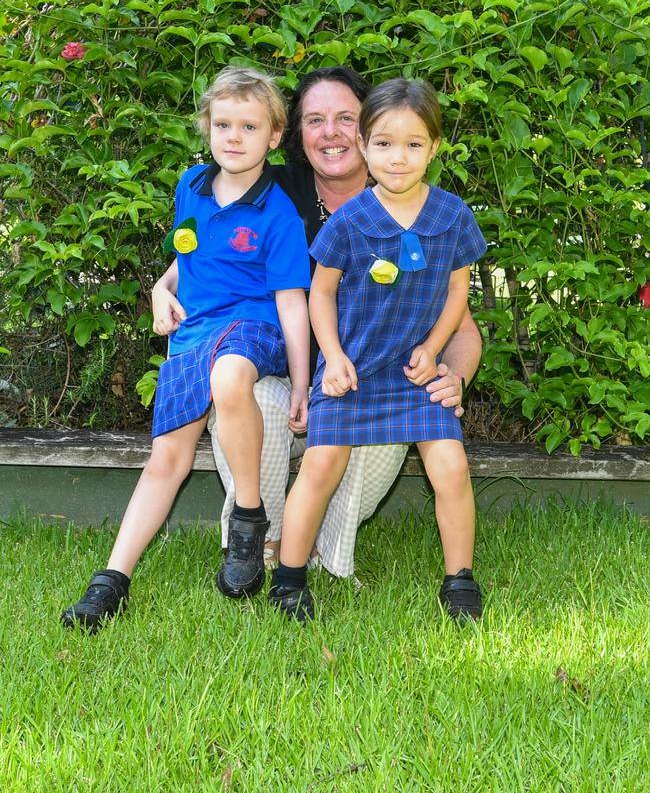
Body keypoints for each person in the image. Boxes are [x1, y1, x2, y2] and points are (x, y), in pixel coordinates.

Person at [152, 66, 484, 579]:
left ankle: (328, 545)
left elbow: (461, 324)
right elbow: (211, 249)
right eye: (315, 119)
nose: (330, 132)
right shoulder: (271, 189)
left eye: (345, 118)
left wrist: (452, 377)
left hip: (369, 372)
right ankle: (262, 540)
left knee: (378, 432)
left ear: (369, 128)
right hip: (279, 366)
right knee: (254, 394)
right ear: (292, 134)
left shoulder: (410, 199)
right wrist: (163, 285)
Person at [61, 67, 311, 631]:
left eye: (249, 126)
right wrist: (160, 288)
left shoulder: (279, 215)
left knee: (229, 379)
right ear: (206, 128)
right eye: (222, 124)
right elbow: (190, 254)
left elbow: (293, 304)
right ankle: (112, 582)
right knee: (166, 460)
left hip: (254, 328)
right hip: (193, 331)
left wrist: (300, 383)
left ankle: (248, 516)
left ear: (274, 136)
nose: (233, 137)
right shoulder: (191, 186)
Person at [269, 78, 487, 622]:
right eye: (385, 144)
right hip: (354, 370)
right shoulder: (350, 220)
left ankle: (459, 580)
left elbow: (458, 291)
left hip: (415, 375)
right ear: (365, 147)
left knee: (451, 466)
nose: (399, 157)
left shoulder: (453, 216)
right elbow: (319, 292)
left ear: (435, 148)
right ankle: (289, 579)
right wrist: (333, 358)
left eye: (414, 144)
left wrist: (436, 350)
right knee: (320, 466)